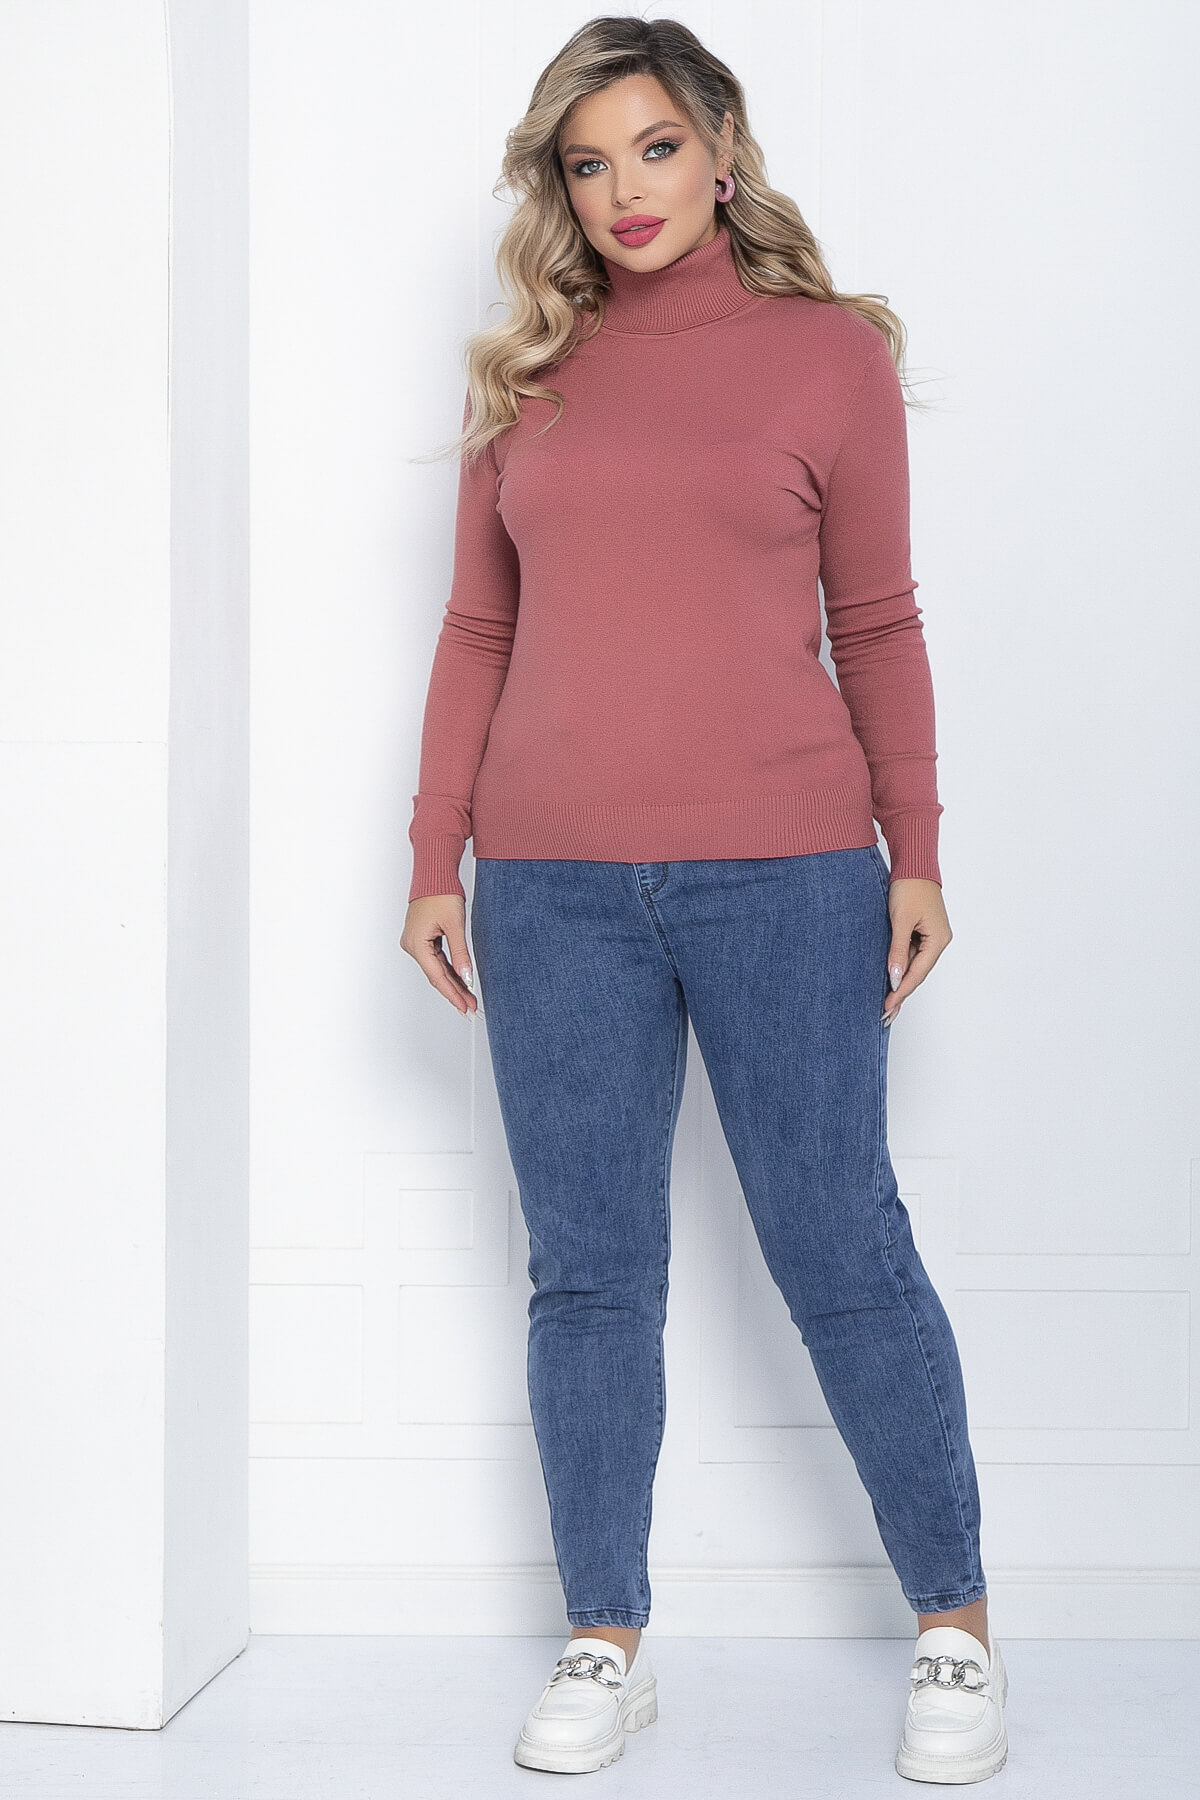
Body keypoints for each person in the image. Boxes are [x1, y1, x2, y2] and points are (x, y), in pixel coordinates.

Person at [399, 14, 1008, 1785]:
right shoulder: (530, 372)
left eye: (654, 147)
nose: (624, 191)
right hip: (550, 886)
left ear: (722, 148)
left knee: (839, 1246)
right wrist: (434, 854)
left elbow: (877, 619)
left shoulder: (828, 356)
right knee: (588, 1275)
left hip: (791, 875)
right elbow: (478, 629)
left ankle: (956, 1627)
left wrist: (916, 845)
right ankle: (606, 1635)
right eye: (588, 163)